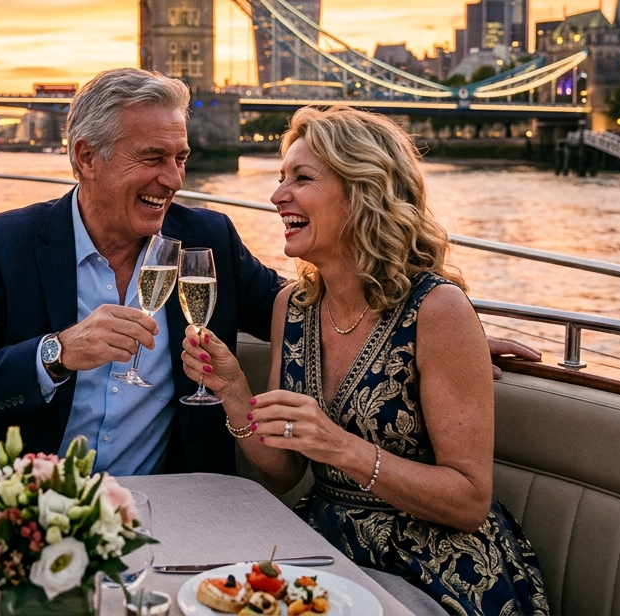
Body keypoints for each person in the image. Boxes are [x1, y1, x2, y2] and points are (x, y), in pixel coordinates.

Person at [181, 106, 548, 615]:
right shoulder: (295, 307)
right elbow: (284, 474)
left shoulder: (437, 310)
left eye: (302, 178)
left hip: (437, 567)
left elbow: (468, 501)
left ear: (363, 192)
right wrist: (233, 391)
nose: (277, 195)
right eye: (281, 177)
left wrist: (339, 447)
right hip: (327, 552)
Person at [0, 68, 282, 477]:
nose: (174, 179)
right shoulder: (4, 244)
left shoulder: (209, 238)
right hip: (23, 506)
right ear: (87, 158)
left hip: (165, 508)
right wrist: (57, 353)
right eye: (153, 158)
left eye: (180, 158)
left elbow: (297, 312)